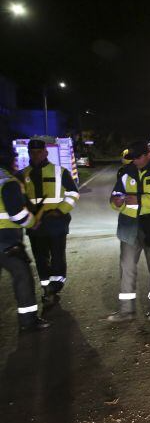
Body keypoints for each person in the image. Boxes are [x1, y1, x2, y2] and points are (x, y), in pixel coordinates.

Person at [107, 141, 150, 322]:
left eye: (138, 157)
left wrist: (139, 200)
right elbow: (114, 196)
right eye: (132, 158)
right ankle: (126, 311)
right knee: (127, 268)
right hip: (129, 227)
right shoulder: (124, 173)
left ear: (149, 155)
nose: (135, 161)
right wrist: (116, 202)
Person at [19, 139, 79, 307]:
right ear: (29, 153)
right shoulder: (22, 175)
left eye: (39, 151)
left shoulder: (60, 172)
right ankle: (46, 288)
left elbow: (73, 193)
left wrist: (60, 210)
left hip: (57, 223)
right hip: (35, 226)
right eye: (32, 152)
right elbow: (18, 201)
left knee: (57, 257)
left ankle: (55, 286)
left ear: (46, 152)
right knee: (40, 258)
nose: (36, 155)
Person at [0, 139, 51, 332]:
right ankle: (28, 321)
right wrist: (33, 221)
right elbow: (17, 214)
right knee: (23, 276)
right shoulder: (8, 181)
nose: (16, 162)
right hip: (6, 240)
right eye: (14, 159)